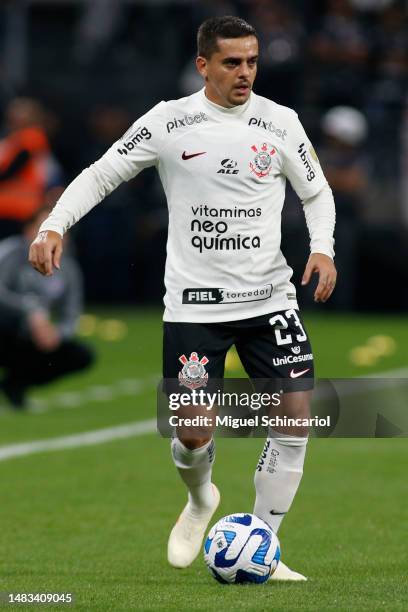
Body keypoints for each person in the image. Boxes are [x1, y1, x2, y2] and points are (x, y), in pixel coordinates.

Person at [29, 16, 337, 580]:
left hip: (269, 299)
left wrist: (323, 248)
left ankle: (263, 546)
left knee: (295, 415)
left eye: (251, 61)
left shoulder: (281, 122)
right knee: (194, 433)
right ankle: (200, 499)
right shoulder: (170, 122)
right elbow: (101, 175)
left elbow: (316, 192)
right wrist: (54, 225)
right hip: (195, 307)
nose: (245, 73)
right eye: (231, 62)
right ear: (203, 65)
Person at [0, 207, 94, 409]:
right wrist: (30, 311)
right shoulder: (10, 253)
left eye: (59, 230)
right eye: (44, 230)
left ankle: (15, 384)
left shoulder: (68, 267)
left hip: (32, 339)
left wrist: (57, 334)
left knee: (80, 355)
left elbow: (72, 314)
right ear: (28, 231)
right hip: (6, 330)